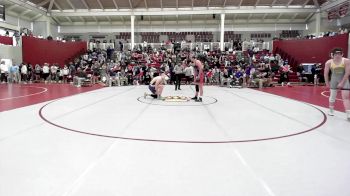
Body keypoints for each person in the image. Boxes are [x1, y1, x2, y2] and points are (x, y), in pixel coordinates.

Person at [324, 47, 350, 120]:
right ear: (333, 55)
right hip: (334, 80)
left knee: (346, 97)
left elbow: (348, 73)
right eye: (336, 54)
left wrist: (342, 83)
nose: (338, 55)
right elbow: (325, 74)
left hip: (344, 80)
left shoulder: (346, 61)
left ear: (342, 54)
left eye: (339, 54)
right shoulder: (329, 62)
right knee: (332, 96)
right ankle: (331, 111)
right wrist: (327, 83)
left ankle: (348, 115)